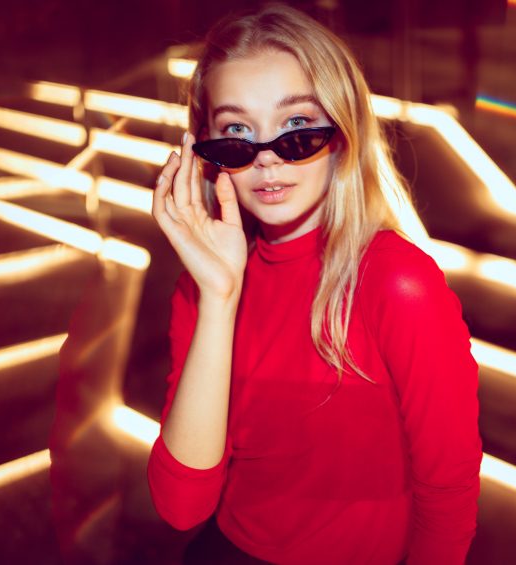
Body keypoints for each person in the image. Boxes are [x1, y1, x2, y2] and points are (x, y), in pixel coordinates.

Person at [147, 5, 482, 564]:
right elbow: (182, 507)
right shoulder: (203, 290)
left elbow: (447, 496)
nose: (269, 160)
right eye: (236, 132)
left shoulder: (399, 284)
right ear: (206, 151)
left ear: (342, 129)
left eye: (297, 127)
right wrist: (219, 298)